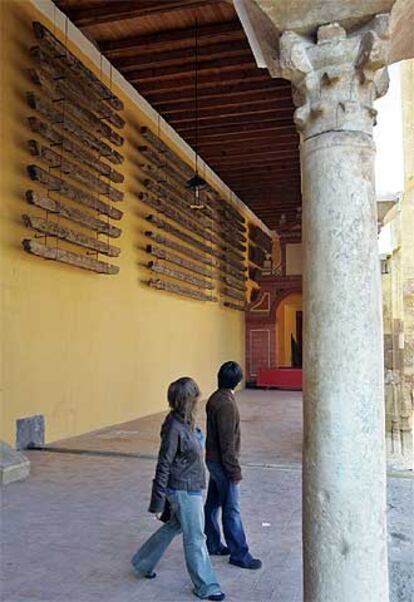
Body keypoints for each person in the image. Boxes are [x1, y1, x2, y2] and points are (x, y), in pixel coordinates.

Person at [131, 377, 225, 601]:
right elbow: (163, 463)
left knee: (175, 525)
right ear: (188, 400)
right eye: (195, 397)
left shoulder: (186, 421)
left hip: (190, 485)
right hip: (183, 489)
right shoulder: (174, 428)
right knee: (196, 537)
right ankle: (206, 585)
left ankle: (143, 562)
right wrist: (157, 502)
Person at [204, 361, 262, 570]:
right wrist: (234, 471)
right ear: (237, 381)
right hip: (222, 463)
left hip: (213, 460)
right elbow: (227, 442)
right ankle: (239, 553)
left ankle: (212, 543)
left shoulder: (215, 398)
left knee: (212, 504)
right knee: (232, 509)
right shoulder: (227, 404)